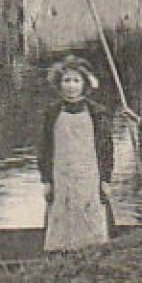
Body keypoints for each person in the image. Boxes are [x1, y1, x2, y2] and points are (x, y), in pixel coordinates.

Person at [37, 55, 115, 251]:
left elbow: (106, 148)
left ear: (84, 84)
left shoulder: (97, 112)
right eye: (67, 81)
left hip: (89, 175)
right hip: (61, 175)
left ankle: (93, 254)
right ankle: (61, 256)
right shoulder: (52, 113)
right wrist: (46, 180)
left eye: (76, 81)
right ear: (59, 84)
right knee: (61, 215)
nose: (71, 86)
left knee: (91, 216)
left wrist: (105, 179)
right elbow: (45, 148)